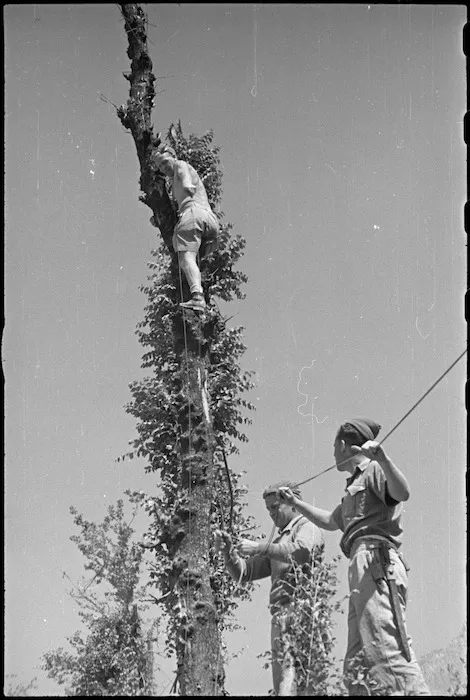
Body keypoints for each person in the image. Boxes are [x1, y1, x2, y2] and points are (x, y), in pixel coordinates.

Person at [278, 418, 431, 696]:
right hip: (361, 565)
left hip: (375, 559)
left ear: (344, 445)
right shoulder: (353, 485)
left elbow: (402, 492)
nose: (333, 454)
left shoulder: (374, 469)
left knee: (386, 650)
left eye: (334, 447)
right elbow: (330, 520)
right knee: (358, 662)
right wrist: (295, 504)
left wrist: (383, 459)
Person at [214, 480, 324, 696]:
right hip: (281, 617)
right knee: (285, 685)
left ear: (293, 503)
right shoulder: (281, 539)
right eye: (268, 509)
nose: (271, 513)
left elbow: (301, 552)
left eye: (275, 507)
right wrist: (228, 553)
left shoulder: (307, 527)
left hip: (302, 613)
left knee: (301, 685)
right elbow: (244, 572)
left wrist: (261, 547)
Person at [154, 144, 219, 312]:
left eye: (164, 162)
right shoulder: (175, 179)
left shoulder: (179, 165)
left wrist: (186, 183)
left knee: (186, 258)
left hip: (193, 214)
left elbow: (183, 173)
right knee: (195, 259)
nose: (164, 168)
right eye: (160, 166)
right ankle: (202, 306)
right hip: (209, 220)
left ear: (172, 157)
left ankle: (197, 297)